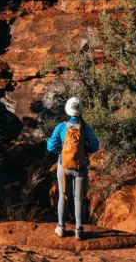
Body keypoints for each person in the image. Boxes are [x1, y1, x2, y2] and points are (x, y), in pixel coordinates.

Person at [46, 96, 99, 240]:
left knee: (63, 195)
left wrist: (61, 151)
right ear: (80, 110)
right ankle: (78, 230)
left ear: (67, 110)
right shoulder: (85, 128)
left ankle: (61, 227)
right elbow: (95, 145)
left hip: (63, 166)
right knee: (78, 198)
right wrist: (84, 150)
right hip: (80, 167)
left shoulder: (61, 127)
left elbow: (50, 146)